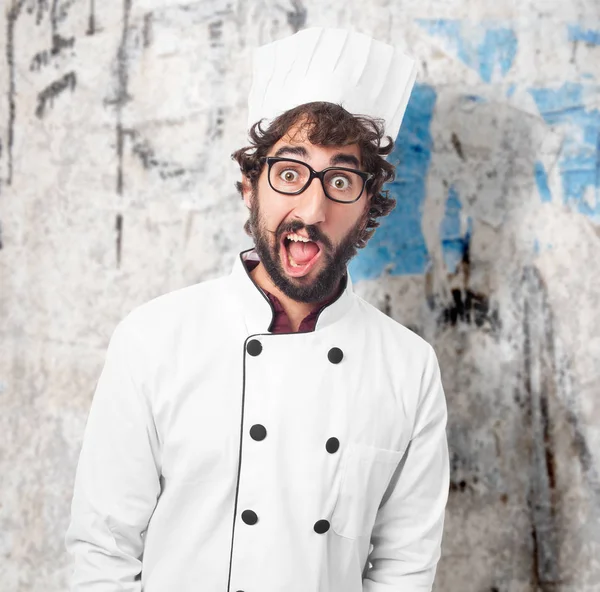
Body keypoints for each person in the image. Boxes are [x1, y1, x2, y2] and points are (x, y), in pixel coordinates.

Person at [65, 27, 449, 592]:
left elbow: (404, 569)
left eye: (341, 180)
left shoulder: (408, 368)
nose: (312, 208)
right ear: (250, 185)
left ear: (369, 204)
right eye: (289, 173)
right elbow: (103, 552)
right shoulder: (152, 340)